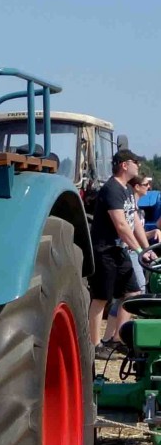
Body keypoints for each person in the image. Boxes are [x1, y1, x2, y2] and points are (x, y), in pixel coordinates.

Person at [90, 150, 157, 357]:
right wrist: (138, 250)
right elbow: (120, 225)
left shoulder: (127, 190)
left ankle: (117, 338)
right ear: (124, 165)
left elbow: (134, 221)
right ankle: (93, 345)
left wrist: (147, 249)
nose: (138, 165)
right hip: (105, 250)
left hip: (119, 251)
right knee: (102, 298)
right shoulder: (111, 189)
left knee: (133, 293)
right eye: (135, 161)